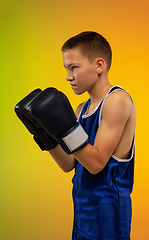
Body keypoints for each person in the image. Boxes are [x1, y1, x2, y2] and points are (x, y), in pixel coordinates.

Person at [15, 31, 136, 240]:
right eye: (66, 68)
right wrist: (44, 134)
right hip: (82, 211)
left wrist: (64, 129)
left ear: (99, 66)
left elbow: (96, 163)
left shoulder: (117, 101)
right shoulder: (82, 108)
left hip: (109, 215)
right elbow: (69, 164)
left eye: (74, 68)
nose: (68, 76)